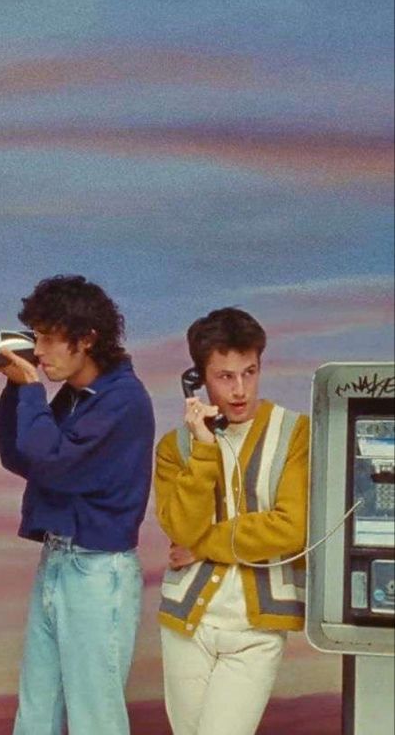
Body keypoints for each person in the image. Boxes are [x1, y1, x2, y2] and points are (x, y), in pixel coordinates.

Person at [0, 274, 155, 735]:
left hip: (98, 572)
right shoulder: (74, 397)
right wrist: (14, 389)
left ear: (86, 340)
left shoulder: (122, 400)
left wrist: (29, 391)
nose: (37, 351)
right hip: (58, 562)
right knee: (36, 714)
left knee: (94, 720)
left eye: (47, 338)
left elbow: (54, 463)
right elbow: (19, 454)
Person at [154, 307, 309, 735]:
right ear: (199, 379)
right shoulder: (176, 447)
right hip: (188, 623)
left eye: (250, 372)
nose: (240, 390)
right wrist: (204, 448)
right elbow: (180, 530)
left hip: (257, 627)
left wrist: (203, 545)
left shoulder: (296, 433)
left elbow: (291, 527)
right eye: (224, 376)